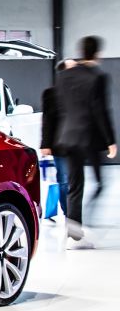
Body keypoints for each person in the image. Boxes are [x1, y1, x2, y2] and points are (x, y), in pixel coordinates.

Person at [53, 36, 117, 248]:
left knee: (75, 185)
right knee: (99, 183)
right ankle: (82, 224)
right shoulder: (97, 77)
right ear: (97, 53)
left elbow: (60, 109)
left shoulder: (63, 76)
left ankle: (74, 232)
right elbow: (101, 111)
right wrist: (111, 141)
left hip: (67, 136)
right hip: (88, 137)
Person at [40, 59, 76, 222]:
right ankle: (68, 212)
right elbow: (47, 119)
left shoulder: (80, 92)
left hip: (77, 143)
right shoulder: (51, 93)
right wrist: (45, 144)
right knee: (64, 178)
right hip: (59, 143)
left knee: (76, 180)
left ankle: (75, 211)